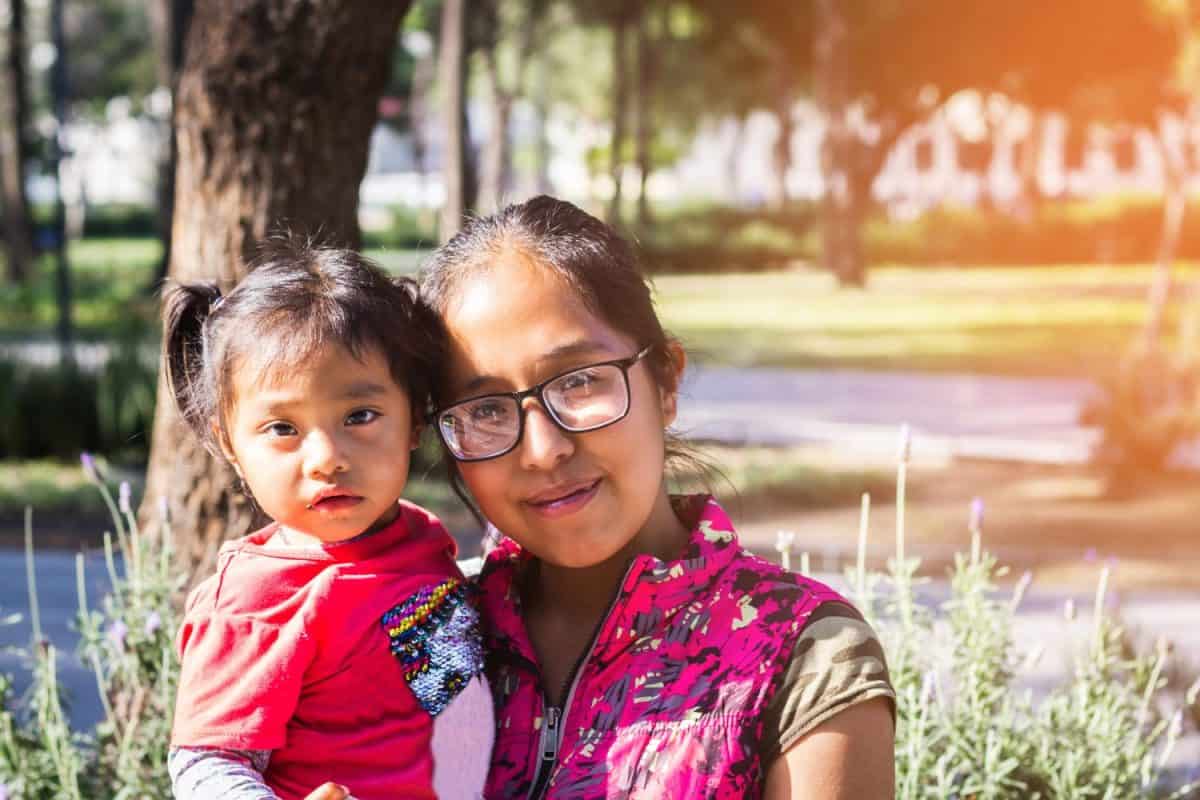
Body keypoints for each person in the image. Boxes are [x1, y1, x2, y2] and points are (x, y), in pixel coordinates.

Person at [420, 195, 897, 799]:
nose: (542, 451)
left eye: (580, 382)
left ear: (665, 381)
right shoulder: (430, 635)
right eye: (485, 410)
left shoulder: (802, 654)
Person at [163, 239, 493, 800]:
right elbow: (206, 763)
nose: (327, 458)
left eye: (359, 416)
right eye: (282, 429)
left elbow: (442, 693)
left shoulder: (414, 538)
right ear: (231, 445)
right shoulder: (256, 600)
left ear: (415, 419)